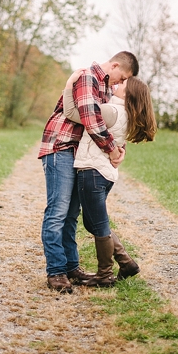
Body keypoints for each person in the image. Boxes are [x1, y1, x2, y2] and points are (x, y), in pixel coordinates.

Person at [38, 52, 138, 293]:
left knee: (72, 214)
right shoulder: (88, 77)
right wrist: (113, 151)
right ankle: (56, 271)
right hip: (61, 146)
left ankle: (71, 267)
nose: (120, 83)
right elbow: (92, 120)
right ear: (114, 65)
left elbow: (109, 123)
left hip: (79, 153)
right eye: (121, 77)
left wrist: (119, 147)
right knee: (58, 211)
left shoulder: (105, 88)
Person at [63, 72, 157, 286]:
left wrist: (69, 85)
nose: (119, 83)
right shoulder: (122, 113)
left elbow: (71, 112)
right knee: (92, 222)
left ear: (129, 93)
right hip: (104, 174)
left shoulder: (109, 111)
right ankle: (126, 263)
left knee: (99, 224)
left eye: (124, 83)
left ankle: (104, 275)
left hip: (92, 172)